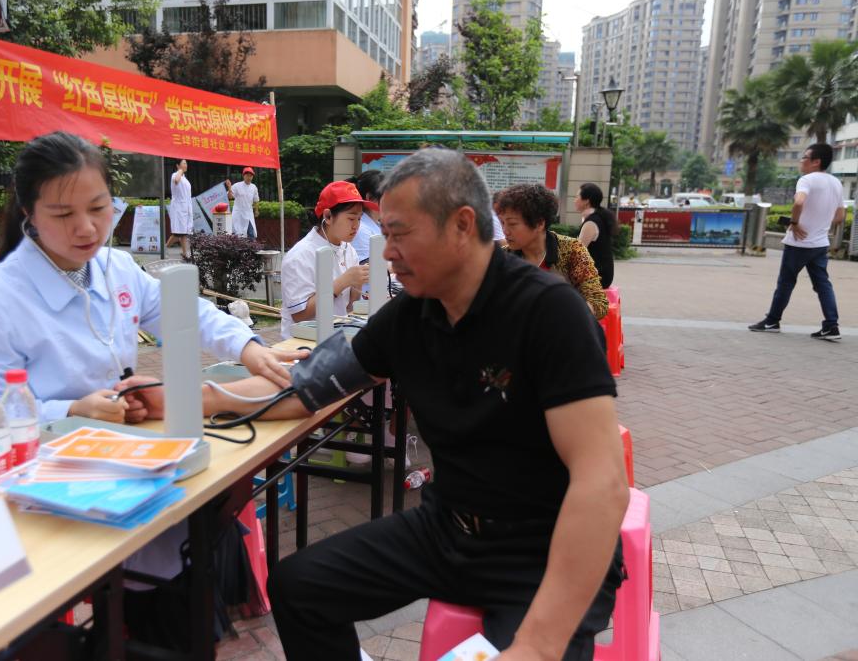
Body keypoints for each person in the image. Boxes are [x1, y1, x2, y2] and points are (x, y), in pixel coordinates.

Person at [123, 148, 628, 660]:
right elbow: (306, 385)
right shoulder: (412, 315)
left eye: (400, 234)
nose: (387, 252)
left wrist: (539, 645)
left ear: (461, 225)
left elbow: (601, 480)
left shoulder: (549, 312)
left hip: (542, 550)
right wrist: (187, 399)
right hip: (449, 529)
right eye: (383, 234)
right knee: (300, 587)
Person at [0, 131, 304, 423]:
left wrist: (247, 347)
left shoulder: (116, 268)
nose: (86, 228)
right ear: (29, 213)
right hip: (44, 466)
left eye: (98, 207)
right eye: (63, 214)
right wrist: (71, 409)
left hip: (122, 447)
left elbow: (185, 312)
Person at [749, 142, 845, 341]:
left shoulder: (806, 180)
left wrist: (794, 223)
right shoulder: (836, 182)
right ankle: (831, 325)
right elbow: (840, 216)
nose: (801, 161)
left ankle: (772, 322)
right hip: (820, 244)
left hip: (799, 243)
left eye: (804, 157)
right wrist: (820, 225)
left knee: (786, 282)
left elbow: (799, 202)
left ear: (816, 161)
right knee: (823, 285)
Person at [495, 184, 609, 320]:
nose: (505, 231)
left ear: (539, 223)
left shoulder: (571, 250)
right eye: (502, 223)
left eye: (512, 224)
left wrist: (563, 310)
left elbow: (598, 303)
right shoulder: (503, 257)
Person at [279, 181, 370, 339]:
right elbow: (300, 315)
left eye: (359, 219)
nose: (356, 226)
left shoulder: (348, 249)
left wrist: (358, 282)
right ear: (328, 216)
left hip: (335, 336)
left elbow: (349, 307)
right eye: (351, 219)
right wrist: (343, 281)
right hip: (304, 343)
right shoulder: (300, 255)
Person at [575, 182, 616, 289]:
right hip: (599, 272)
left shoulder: (591, 222)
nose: (574, 200)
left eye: (577, 197)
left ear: (586, 201)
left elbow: (577, 251)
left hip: (598, 276)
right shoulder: (597, 216)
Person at [165, 158, 193, 259]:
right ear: (178, 165)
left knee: (184, 232)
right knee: (178, 233)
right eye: (184, 163)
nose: (186, 165)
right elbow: (176, 180)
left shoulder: (184, 178)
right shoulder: (175, 175)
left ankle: (185, 253)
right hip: (178, 208)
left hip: (185, 208)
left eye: (186, 163)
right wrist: (180, 170)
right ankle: (165, 248)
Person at [226, 167, 260, 239]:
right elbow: (230, 197)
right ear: (243, 176)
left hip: (249, 213)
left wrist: (256, 210)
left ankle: (251, 246)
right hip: (238, 214)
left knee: (251, 233)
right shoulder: (237, 186)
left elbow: (256, 200)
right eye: (247, 175)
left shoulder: (254, 187)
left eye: (250, 176)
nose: (249, 177)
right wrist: (229, 188)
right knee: (238, 234)